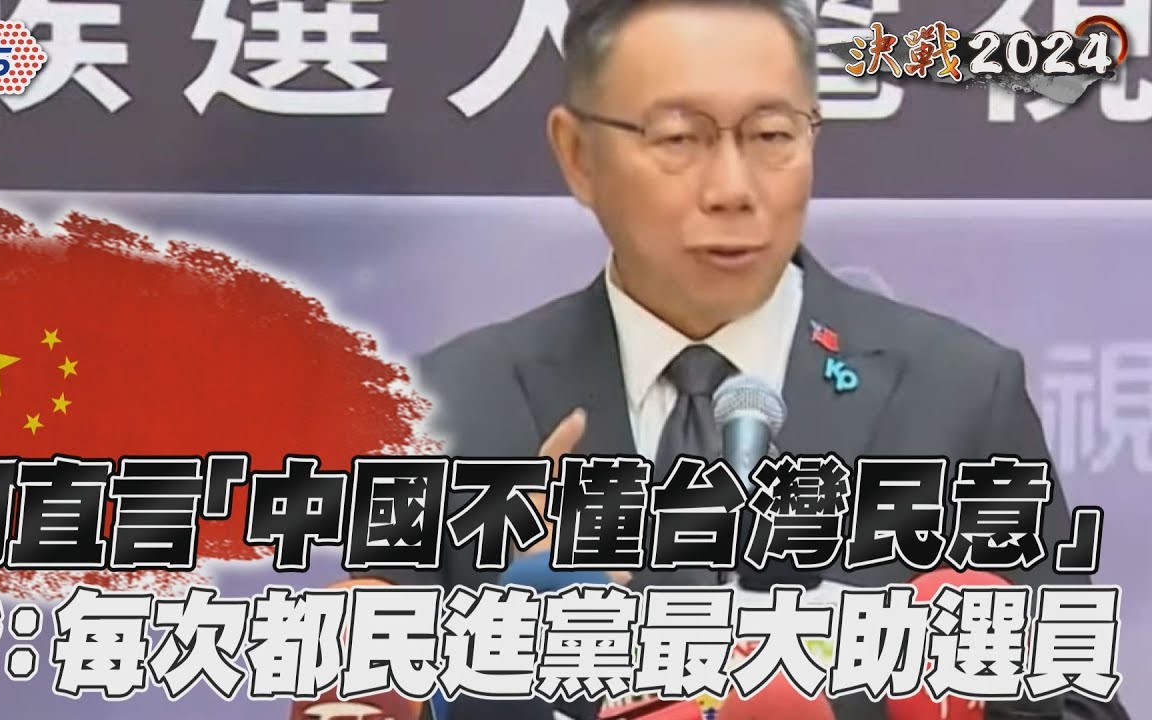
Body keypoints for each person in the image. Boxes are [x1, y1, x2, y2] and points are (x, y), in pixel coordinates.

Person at [328, 1, 1130, 719]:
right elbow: (351, 697)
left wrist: (855, 690)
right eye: (679, 138)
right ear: (578, 155)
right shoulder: (444, 412)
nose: (733, 188)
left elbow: (1074, 703)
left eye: (772, 135)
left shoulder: (958, 394)